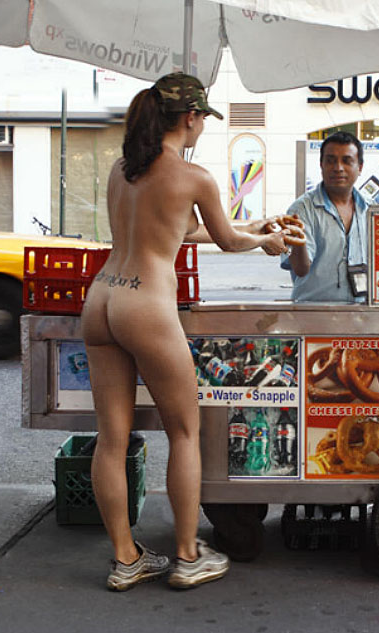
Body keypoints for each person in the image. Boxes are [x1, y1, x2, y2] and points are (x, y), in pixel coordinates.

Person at [79, 73, 288, 591]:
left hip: (102, 297)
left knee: (112, 439)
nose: (202, 127)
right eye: (202, 119)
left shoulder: (122, 169)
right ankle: (189, 556)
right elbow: (227, 241)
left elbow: (178, 228)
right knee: (185, 432)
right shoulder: (194, 176)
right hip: (145, 305)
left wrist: (254, 226)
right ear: (191, 116)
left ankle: (126, 559)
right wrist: (266, 241)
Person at [282, 131, 370, 302]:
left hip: (361, 310)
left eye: (347, 161)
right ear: (321, 165)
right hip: (315, 311)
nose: (338, 168)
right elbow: (300, 269)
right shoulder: (301, 210)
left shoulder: (371, 208)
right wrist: (297, 240)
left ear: (360, 167)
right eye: (330, 161)